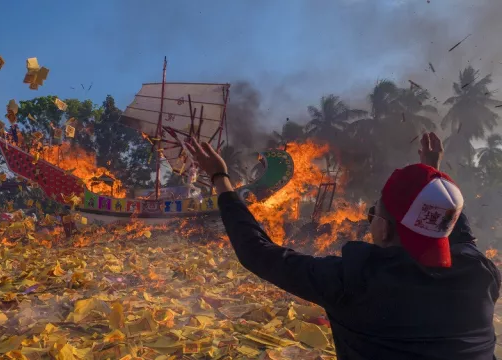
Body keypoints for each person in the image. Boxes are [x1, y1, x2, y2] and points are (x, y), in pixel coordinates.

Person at [188, 133, 500, 360]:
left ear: (385, 227)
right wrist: (433, 178)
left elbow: (257, 251)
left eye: (373, 212)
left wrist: (220, 178)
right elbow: (451, 225)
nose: (370, 218)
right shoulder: (481, 274)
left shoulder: (356, 281)